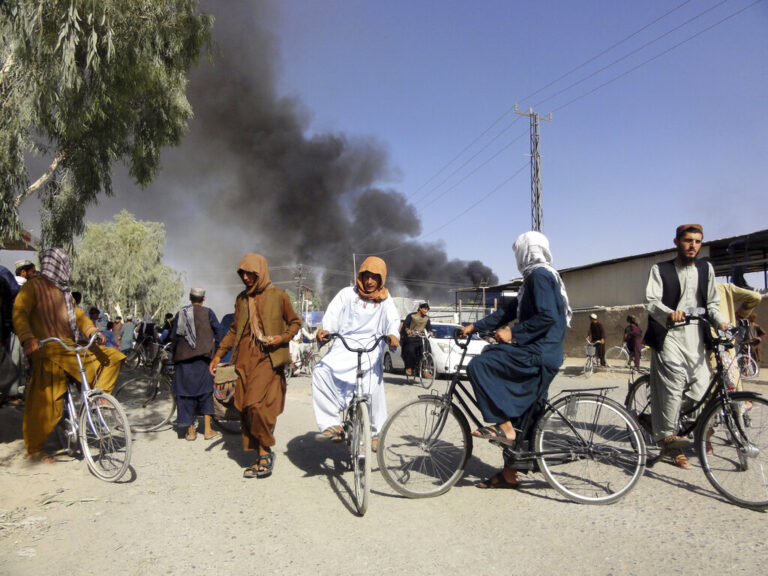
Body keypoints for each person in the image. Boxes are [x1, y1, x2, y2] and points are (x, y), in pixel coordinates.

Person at [460, 231, 571, 489]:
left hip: (540, 352)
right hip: (542, 350)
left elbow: (547, 317)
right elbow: (506, 313)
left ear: (524, 252)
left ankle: (504, 428)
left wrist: (513, 332)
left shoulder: (540, 276)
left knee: (481, 364)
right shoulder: (534, 279)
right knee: (522, 410)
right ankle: (510, 472)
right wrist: (474, 326)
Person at [12, 248, 125, 459]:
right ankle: (34, 450)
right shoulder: (32, 288)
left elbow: (80, 316)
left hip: (69, 347)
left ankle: (98, 396)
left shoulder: (65, 291)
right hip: (46, 349)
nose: (67, 268)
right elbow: (19, 313)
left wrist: (93, 331)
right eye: (64, 264)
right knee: (47, 402)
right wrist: (28, 338)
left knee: (111, 358)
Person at [209, 254, 300, 479]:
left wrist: (282, 338)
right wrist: (218, 354)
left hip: (268, 360)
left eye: (251, 274)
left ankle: (265, 451)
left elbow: (295, 322)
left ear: (261, 272)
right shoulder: (242, 299)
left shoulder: (279, 296)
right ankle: (260, 453)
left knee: (255, 405)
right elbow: (233, 331)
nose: (247, 278)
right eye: (243, 274)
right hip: (244, 360)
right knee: (245, 408)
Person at [644, 224, 728, 469]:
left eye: (698, 241)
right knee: (673, 386)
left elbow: (712, 302)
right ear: (676, 242)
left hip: (696, 338)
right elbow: (651, 301)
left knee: (701, 390)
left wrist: (721, 321)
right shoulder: (661, 269)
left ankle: (661, 421)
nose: (693, 246)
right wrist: (671, 313)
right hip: (670, 335)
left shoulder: (706, 269)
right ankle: (670, 444)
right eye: (688, 240)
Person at [311, 256, 400, 451]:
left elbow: (392, 319)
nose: (369, 282)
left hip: (371, 347)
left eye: (374, 278)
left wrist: (393, 334)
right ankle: (331, 423)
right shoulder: (346, 294)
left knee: (373, 385)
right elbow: (333, 314)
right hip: (345, 345)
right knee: (321, 371)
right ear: (360, 276)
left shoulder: (385, 299)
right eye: (366, 276)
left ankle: (376, 432)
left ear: (381, 279)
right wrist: (326, 330)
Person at [170, 288, 223, 441]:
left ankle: (191, 432)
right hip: (203, 361)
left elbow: (174, 337)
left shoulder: (181, 313)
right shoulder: (208, 313)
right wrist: (217, 353)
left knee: (185, 396)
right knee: (205, 393)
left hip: (183, 362)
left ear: (190, 298)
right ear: (203, 298)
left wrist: (174, 353)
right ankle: (207, 430)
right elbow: (219, 333)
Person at [401, 302, 433, 377]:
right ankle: (409, 367)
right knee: (411, 351)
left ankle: (426, 369)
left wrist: (430, 332)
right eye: (424, 309)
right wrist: (407, 330)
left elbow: (429, 327)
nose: (426, 311)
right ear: (420, 308)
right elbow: (405, 325)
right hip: (411, 337)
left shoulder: (427, 318)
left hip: (421, 337)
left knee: (427, 349)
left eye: (427, 309)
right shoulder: (411, 316)